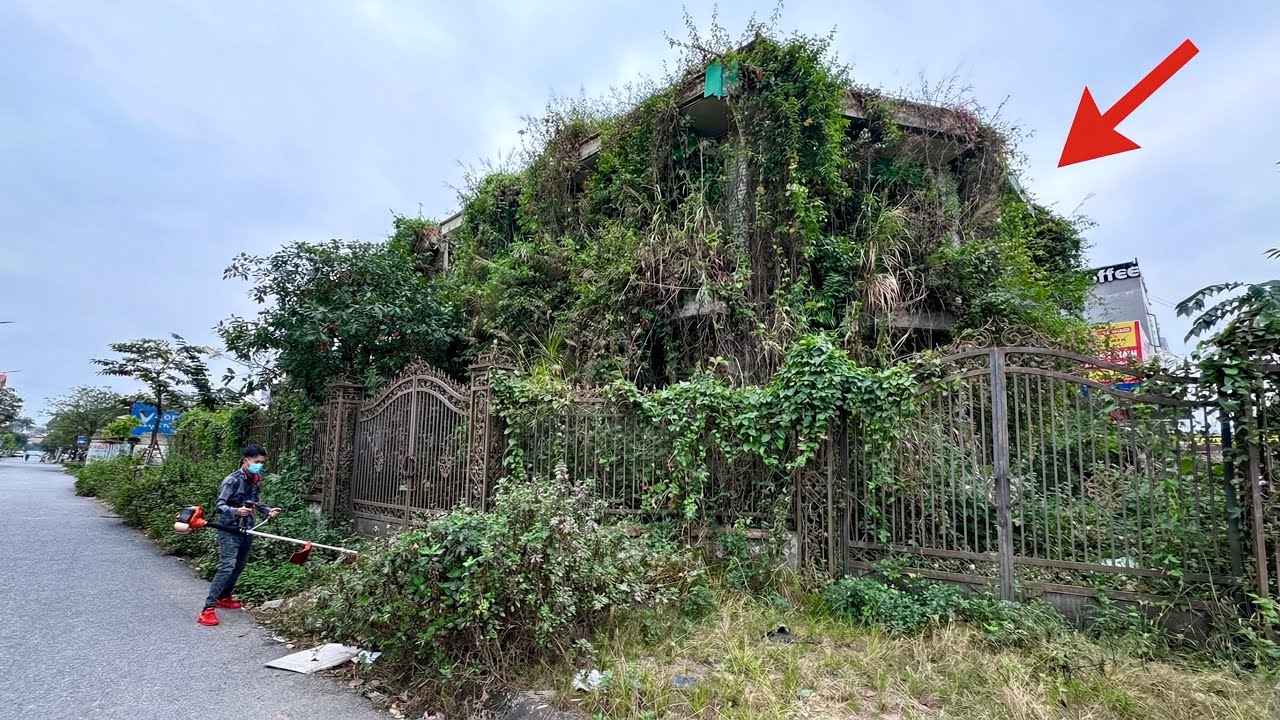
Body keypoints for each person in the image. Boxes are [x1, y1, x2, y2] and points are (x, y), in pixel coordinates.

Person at [197, 444, 280, 627]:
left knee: (239, 566)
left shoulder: (257, 478)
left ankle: (224, 597)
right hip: (229, 529)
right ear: (246, 460)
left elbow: (254, 502)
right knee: (227, 566)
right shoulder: (232, 481)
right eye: (257, 462)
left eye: (262, 463)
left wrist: (267, 510)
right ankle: (207, 609)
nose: (259, 465)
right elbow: (219, 506)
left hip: (248, 528)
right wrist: (236, 511)